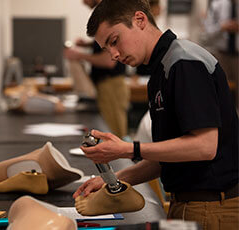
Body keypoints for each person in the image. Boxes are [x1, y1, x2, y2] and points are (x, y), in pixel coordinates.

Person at [73, 0, 239, 228]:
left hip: (210, 207)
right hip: (189, 203)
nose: (113, 55)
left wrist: (128, 149)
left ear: (139, 20)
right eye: (106, 49)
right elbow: (168, 157)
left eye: (114, 41)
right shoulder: (161, 70)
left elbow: (205, 147)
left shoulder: (184, 63)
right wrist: (111, 179)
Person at [64, 0, 130, 139]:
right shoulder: (106, 14)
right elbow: (106, 46)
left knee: (114, 134)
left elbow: (108, 61)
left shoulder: (110, 15)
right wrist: (88, 45)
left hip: (111, 86)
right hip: (106, 85)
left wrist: (79, 55)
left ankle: (121, 162)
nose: (83, 2)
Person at [203, 0, 239, 109]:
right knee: (222, 91)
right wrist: (222, 27)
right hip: (221, 55)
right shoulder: (217, 5)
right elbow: (207, 32)